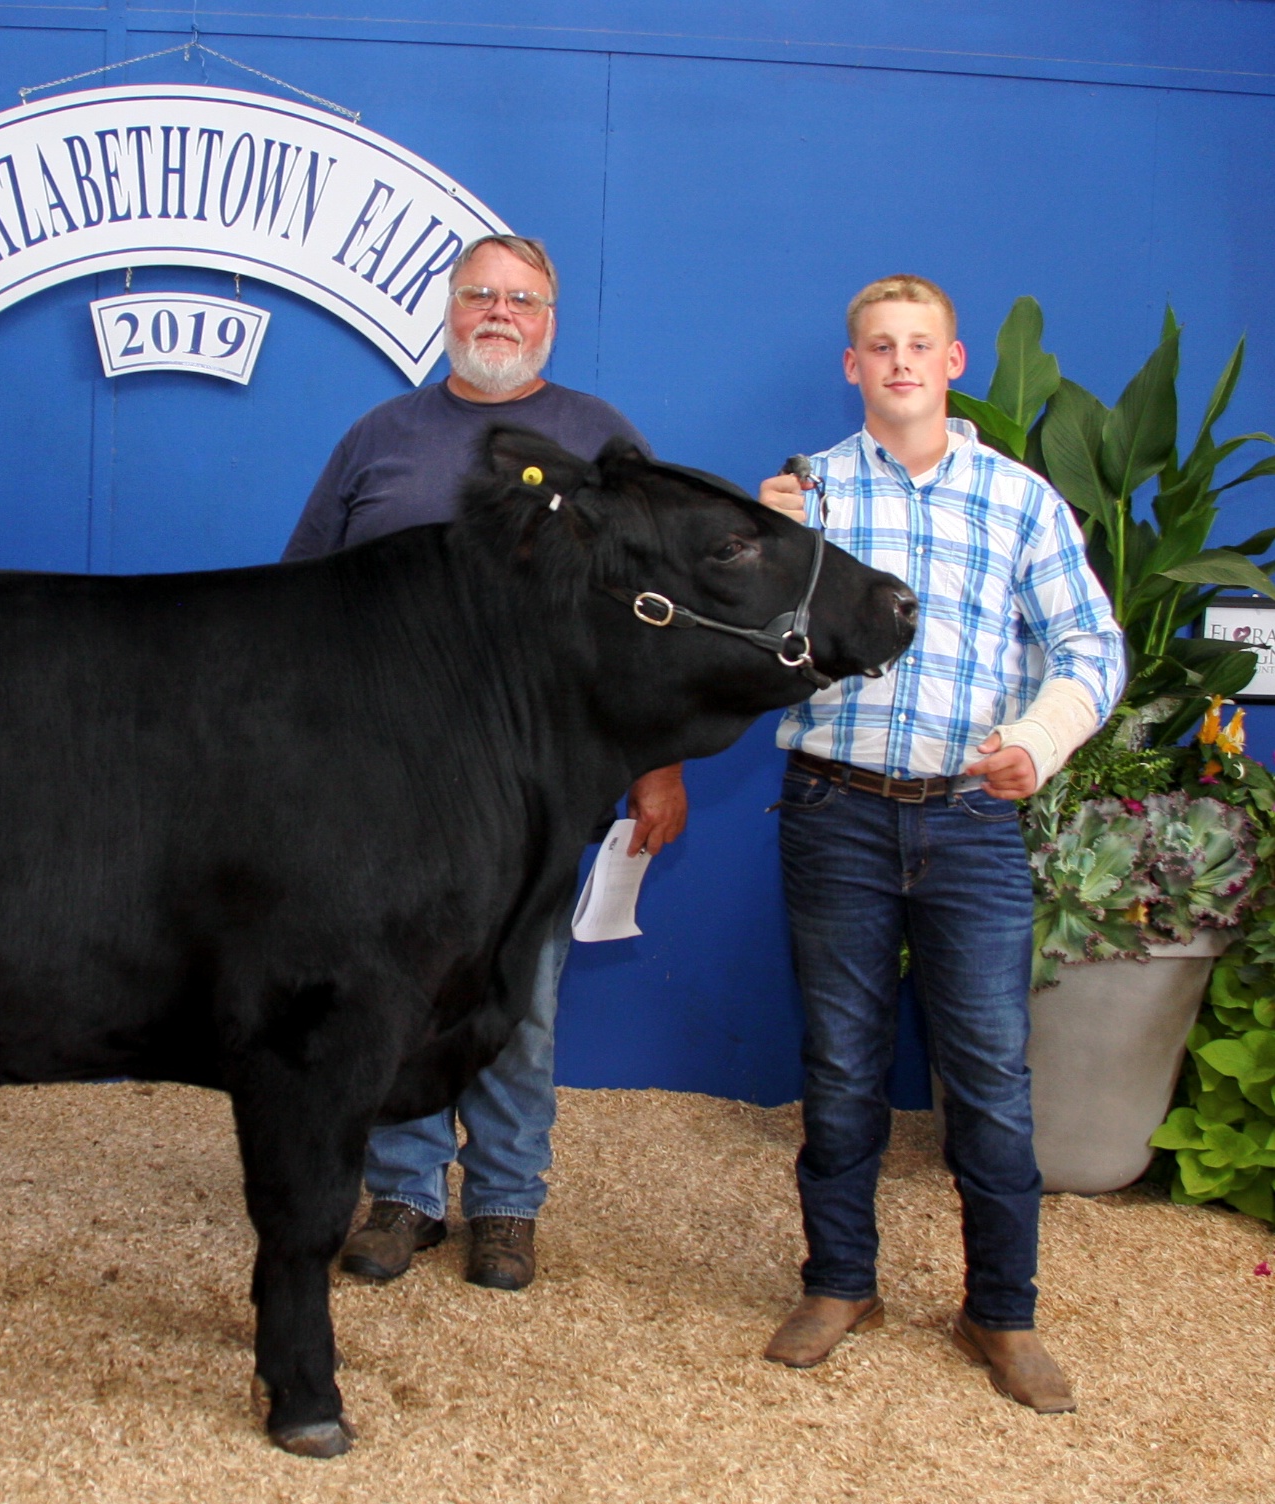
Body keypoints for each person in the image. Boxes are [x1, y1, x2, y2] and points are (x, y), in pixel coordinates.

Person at [284, 233, 686, 1292]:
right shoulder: (380, 436)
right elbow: (302, 598)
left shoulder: (600, 439)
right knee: (396, 994)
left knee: (524, 997)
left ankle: (506, 1202)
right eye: (480, 295)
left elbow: (651, 620)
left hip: (535, 787)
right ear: (450, 310)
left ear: (549, 319)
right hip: (389, 788)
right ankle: (404, 1194)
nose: (499, 312)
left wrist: (656, 767)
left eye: (521, 298)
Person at [754, 275, 1123, 1412]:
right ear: (852, 366)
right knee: (840, 1065)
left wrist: (1039, 741)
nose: (901, 362)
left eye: (920, 344)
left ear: (954, 362)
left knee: (992, 1079)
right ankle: (839, 1284)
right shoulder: (806, 494)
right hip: (835, 812)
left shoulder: (1019, 501)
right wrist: (765, 553)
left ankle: (1000, 1312)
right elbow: (751, 651)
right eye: (880, 346)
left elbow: (1092, 647)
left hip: (969, 820)